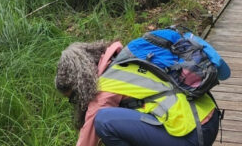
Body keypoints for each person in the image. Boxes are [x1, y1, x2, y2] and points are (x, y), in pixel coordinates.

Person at [55, 41, 221, 146]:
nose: (76, 103)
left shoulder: (104, 89)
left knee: (104, 121)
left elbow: (87, 141)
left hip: (192, 134)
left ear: (80, 84)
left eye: (74, 97)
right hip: (208, 117)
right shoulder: (124, 61)